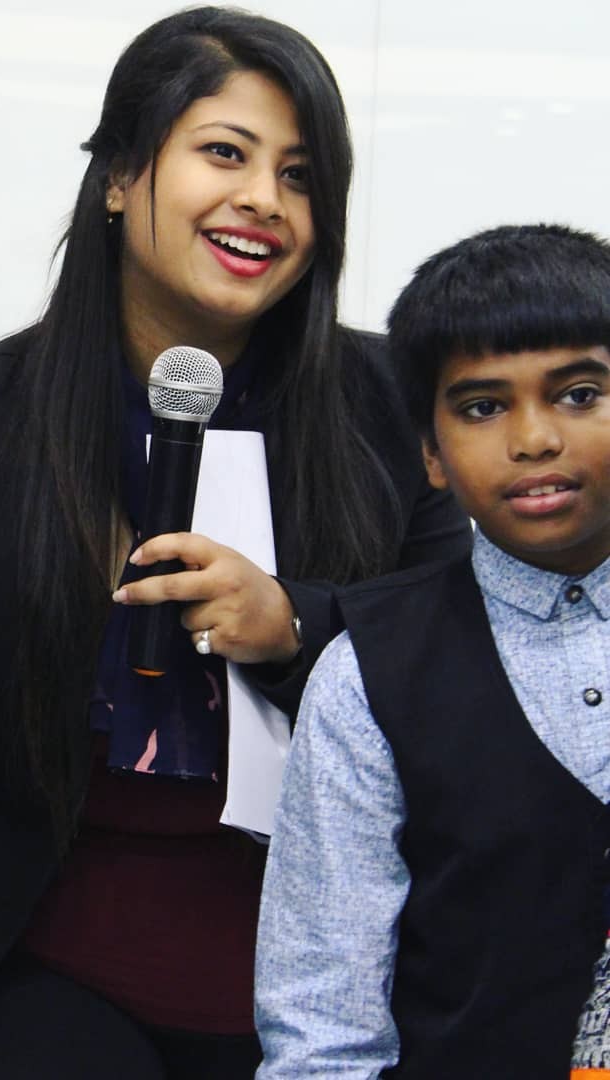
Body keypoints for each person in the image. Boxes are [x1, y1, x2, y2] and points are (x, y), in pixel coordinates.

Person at [0, 7, 471, 1078]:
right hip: (40, 973)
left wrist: (296, 625)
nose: (263, 199)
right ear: (122, 175)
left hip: (341, 973)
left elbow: (463, 665)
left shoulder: (392, 409)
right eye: (225, 153)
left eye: (301, 176)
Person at [254, 222, 610, 1078]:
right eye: (483, 407)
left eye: (578, 393)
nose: (534, 439)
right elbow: (323, 1026)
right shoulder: (369, 676)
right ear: (431, 455)